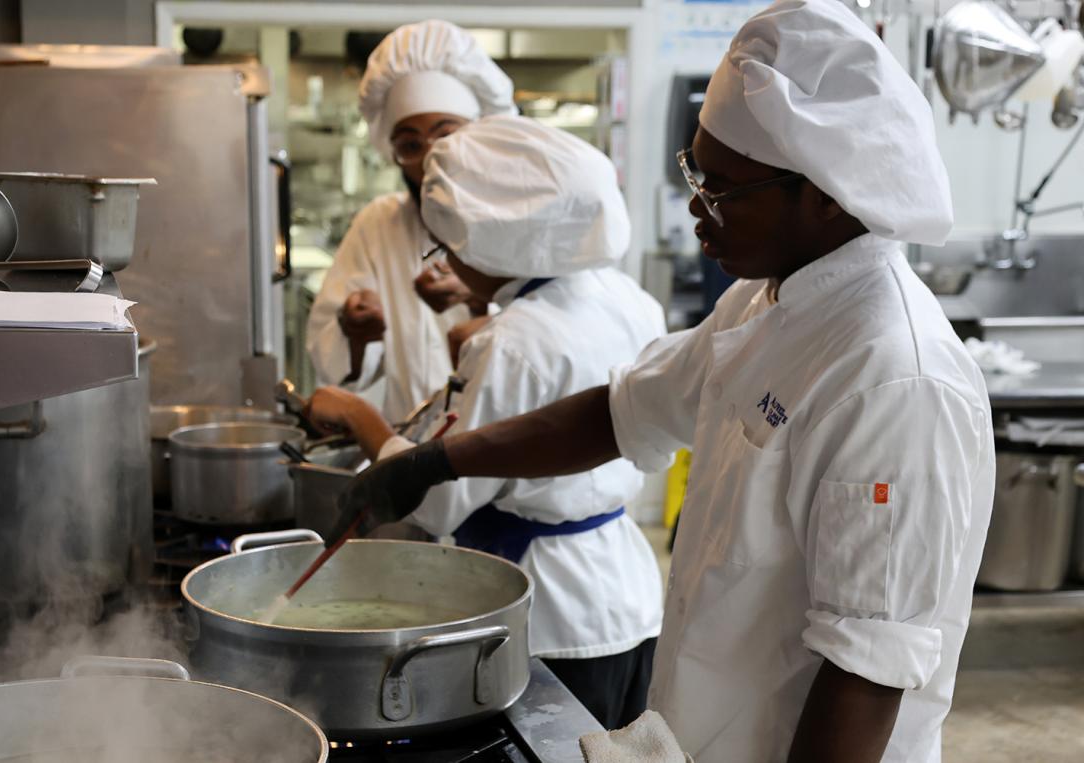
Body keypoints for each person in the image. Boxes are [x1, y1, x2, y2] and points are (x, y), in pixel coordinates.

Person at [328, 2, 996, 760]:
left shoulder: (891, 378)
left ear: (826, 195)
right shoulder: (764, 300)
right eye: (694, 173)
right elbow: (623, 411)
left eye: (721, 190)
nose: (695, 209)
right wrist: (437, 461)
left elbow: (865, 677)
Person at [306, 115, 667, 730]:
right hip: (627, 594)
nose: (444, 261)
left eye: (448, 246)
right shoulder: (623, 297)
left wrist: (358, 414)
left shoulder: (513, 343)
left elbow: (439, 500)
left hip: (547, 613)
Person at [306, 20, 513, 424]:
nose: (430, 159)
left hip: (506, 449)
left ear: (478, 135)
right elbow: (336, 366)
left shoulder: (517, 220)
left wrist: (479, 295)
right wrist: (354, 330)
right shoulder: (379, 225)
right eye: (410, 145)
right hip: (409, 445)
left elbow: (555, 335)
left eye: (446, 137)